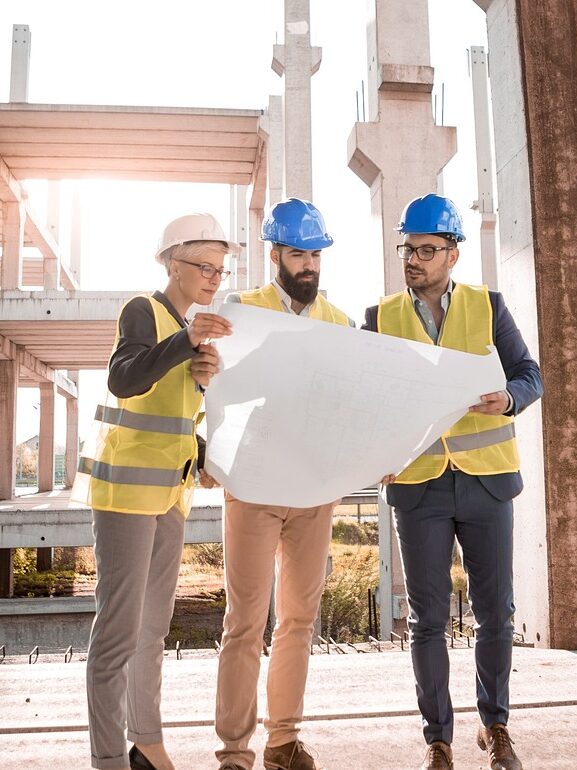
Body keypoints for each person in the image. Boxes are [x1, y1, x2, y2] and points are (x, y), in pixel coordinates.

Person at [362, 194, 543, 770]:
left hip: (486, 482)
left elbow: (529, 375)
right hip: (418, 487)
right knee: (429, 620)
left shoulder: (488, 307)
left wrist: (508, 398)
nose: (413, 259)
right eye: (407, 249)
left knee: (497, 613)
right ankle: (437, 738)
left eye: (426, 249)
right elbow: (365, 400)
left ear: (453, 254)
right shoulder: (381, 317)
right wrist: (374, 454)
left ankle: (496, 727)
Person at [72, 213, 239, 770]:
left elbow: (173, 415)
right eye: (203, 266)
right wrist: (185, 343)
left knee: (151, 628)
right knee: (117, 633)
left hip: (170, 496)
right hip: (125, 496)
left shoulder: (188, 327)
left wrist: (198, 377)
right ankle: (108, 759)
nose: (214, 277)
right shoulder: (142, 308)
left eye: (221, 268)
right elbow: (124, 378)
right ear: (172, 262)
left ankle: (146, 741)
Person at [215, 198, 352, 770]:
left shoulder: (341, 324)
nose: (309, 265)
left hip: (314, 489)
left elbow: (352, 405)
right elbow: (213, 389)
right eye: (298, 253)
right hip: (253, 485)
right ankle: (234, 750)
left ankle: (283, 740)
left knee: (298, 620)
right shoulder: (240, 311)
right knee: (244, 621)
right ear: (275, 254)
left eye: (316, 254)